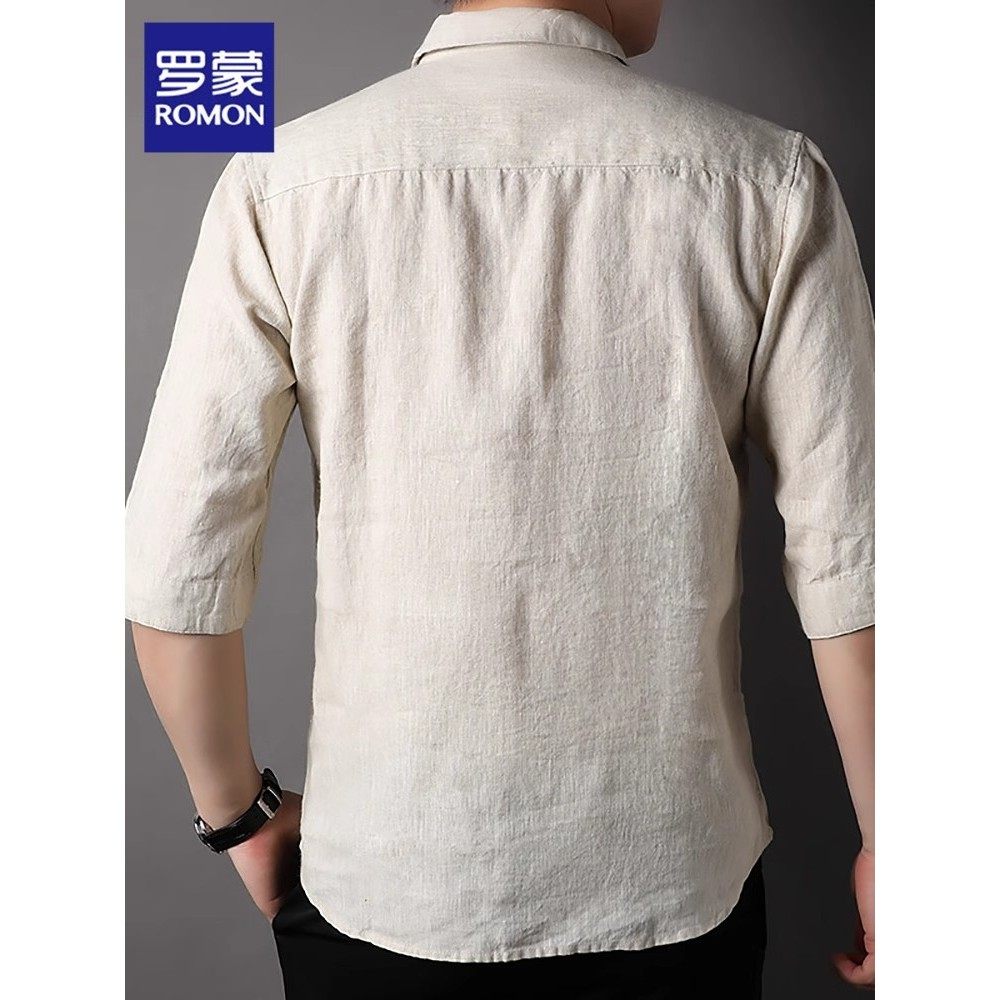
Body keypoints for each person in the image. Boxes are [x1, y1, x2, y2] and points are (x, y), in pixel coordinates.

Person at [125, 1, 875, 997]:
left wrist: (240, 818)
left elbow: (176, 572)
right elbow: (856, 561)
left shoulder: (281, 182)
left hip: (381, 890)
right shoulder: (767, 181)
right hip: (671, 888)